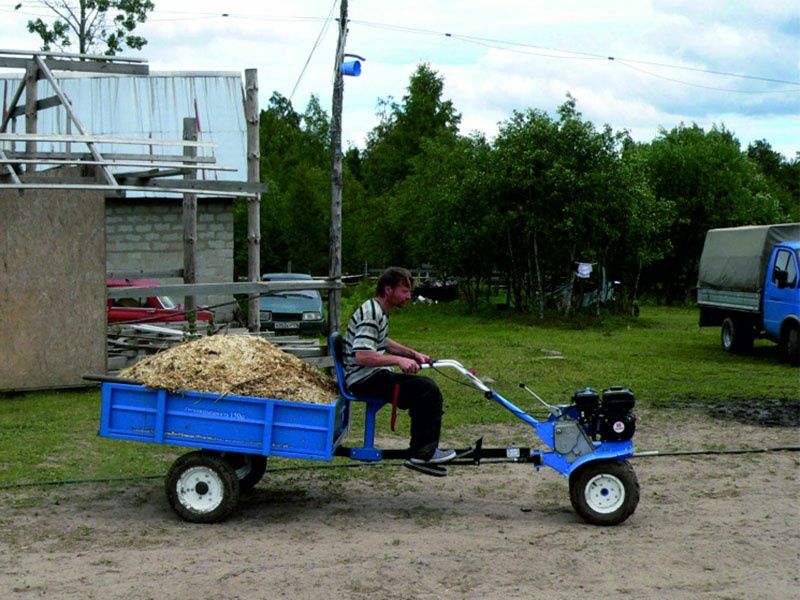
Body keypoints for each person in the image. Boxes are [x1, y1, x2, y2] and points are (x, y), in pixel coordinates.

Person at [343, 267, 455, 477]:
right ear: (388, 289)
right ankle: (422, 454)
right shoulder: (371, 313)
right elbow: (362, 356)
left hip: (368, 375)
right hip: (363, 378)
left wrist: (412, 354)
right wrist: (398, 360)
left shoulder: (378, 310)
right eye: (404, 291)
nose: (408, 296)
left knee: (423, 390)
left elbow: (382, 342)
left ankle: (423, 450)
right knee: (426, 390)